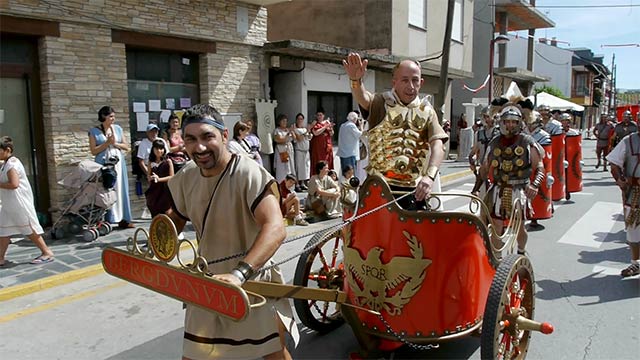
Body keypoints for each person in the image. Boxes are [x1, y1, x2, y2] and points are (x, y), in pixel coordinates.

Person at [166, 104, 296, 359]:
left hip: (251, 283)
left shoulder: (248, 173)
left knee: (272, 354)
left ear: (224, 136)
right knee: (195, 353)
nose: (199, 147)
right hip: (207, 284)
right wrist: (158, 240)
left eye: (207, 137)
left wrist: (240, 273)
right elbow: (177, 218)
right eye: (191, 139)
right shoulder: (187, 176)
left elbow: (276, 227)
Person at [342, 53, 448, 207]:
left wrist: (429, 177)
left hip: (414, 190)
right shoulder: (380, 103)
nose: (410, 86)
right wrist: (355, 80)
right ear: (395, 82)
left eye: (415, 80)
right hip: (379, 186)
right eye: (405, 80)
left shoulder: (428, 112)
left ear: (421, 82)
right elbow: (363, 98)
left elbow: (438, 146)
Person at [478, 98, 544, 255]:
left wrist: (534, 185)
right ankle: (497, 257)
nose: (510, 125)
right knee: (496, 225)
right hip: (498, 189)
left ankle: (521, 251)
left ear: (519, 123)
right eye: (507, 121)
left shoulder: (527, 141)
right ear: (502, 122)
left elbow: (540, 167)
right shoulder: (494, 142)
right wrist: (478, 184)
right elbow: (485, 168)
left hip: (519, 189)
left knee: (519, 225)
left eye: (514, 122)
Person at [0, 136, 55, 266]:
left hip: (18, 203)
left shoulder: (12, 165)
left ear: (7, 150)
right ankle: (0, 257)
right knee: (4, 230)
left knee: (29, 229)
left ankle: (46, 252)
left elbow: (14, 184)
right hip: (9, 204)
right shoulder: (5, 164)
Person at [88, 106, 134, 229]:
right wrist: (106, 143)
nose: (113, 119)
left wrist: (115, 143)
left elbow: (126, 146)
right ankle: (108, 218)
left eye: (114, 116)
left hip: (118, 163)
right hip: (104, 163)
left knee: (120, 187)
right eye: (111, 116)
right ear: (104, 117)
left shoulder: (118, 129)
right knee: (107, 189)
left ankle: (124, 218)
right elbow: (93, 150)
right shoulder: (94, 131)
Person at [606, 131, 640, 277]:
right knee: (633, 231)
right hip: (635, 193)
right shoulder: (629, 140)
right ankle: (636, 263)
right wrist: (620, 179)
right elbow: (614, 162)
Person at [469, 106, 500, 196]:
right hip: (483, 171)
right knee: (483, 201)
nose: (487, 119)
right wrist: (471, 159)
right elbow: (474, 150)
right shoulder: (479, 133)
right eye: (486, 116)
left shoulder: (500, 133)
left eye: (489, 116)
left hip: (497, 170)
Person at [145, 139, 174, 218]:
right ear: (153, 149)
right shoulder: (151, 162)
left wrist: (159, 179)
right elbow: (148, 176)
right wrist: (151, 178)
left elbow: (172, 177)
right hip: (154, 191)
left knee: (167, 213)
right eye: (156, 148)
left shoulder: (168, 161)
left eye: (161, 148)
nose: (159, 151)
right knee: (155, 214)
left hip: (165, 190)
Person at [273, 114, 296, 182]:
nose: (285, 123)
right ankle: (281, 182)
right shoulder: (277, 131)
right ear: (279, 122)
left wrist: (292, 131)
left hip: (288, 149)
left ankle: (290, 183)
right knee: (282, 168)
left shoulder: (288, 130)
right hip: (281, 150)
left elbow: (294, 138)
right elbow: (280, 140)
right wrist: (288, 133)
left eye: (286, 121)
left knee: (290, 166)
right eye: (283, 121)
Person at [292, 113, 312, 190]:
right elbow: (299, 138)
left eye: (301, 119)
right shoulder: (295, 129)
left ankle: (303, 183)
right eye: (299, 119)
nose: (300, 120)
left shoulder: (304, 129)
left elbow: (309, 137)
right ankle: (297, 184)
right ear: (296, 120)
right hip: (299, 150)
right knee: (298, 167)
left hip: (306, 151)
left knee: (305, 168)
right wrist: (306, 131)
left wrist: (309, 132)